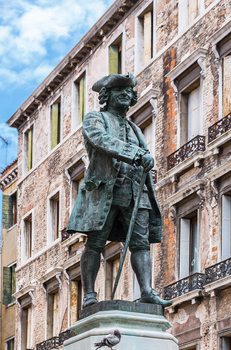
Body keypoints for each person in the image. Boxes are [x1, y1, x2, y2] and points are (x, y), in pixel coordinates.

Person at [67, 73, 171, 308]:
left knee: (141, 243)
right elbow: (101, 140)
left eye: (128, 91)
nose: (126, 94)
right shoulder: (95, 119)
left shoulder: (135, 128)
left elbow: (145, 154)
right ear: (107, 95)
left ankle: (146, 290)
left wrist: (147, 159)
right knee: (95, 242)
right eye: (119, 90)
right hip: (105, 191)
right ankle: (90, 295)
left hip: (135, 191)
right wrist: (137, 155)